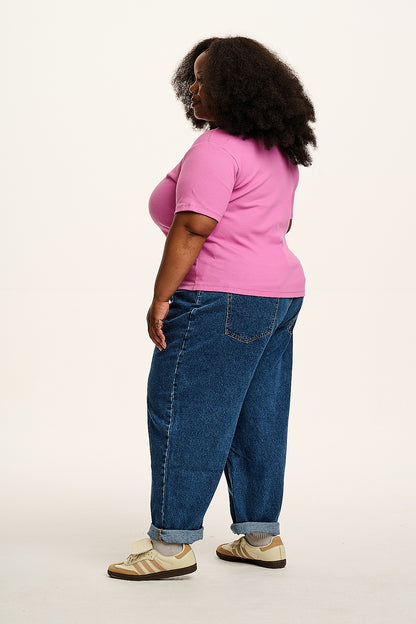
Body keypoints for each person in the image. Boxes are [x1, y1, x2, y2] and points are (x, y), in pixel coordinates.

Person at [107, 35, 316, 581]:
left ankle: (170, 544)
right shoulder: (279, 151)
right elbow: (278, 224)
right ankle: (260, 536)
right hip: (279, 296)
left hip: (216, 299)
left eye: (206, 79)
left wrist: (161, 298)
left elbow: (193, 227)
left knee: (184, 410)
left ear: (237, 88)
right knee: (259, 415)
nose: (195, 88)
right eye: (193, 79)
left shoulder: (216, 149)